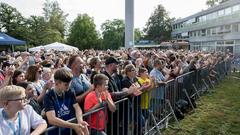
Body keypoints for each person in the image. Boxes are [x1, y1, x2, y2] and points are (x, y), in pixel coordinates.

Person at [44, 68, 89, 135]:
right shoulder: (49, 96)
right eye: (66, 84)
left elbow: (77, 108)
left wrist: (80, 120)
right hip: (56, 132)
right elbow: (51, 119)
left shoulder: (70, 91)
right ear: (57, 83)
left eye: (70, 84)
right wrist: (73, 125)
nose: (68, 86)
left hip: (69, 131)